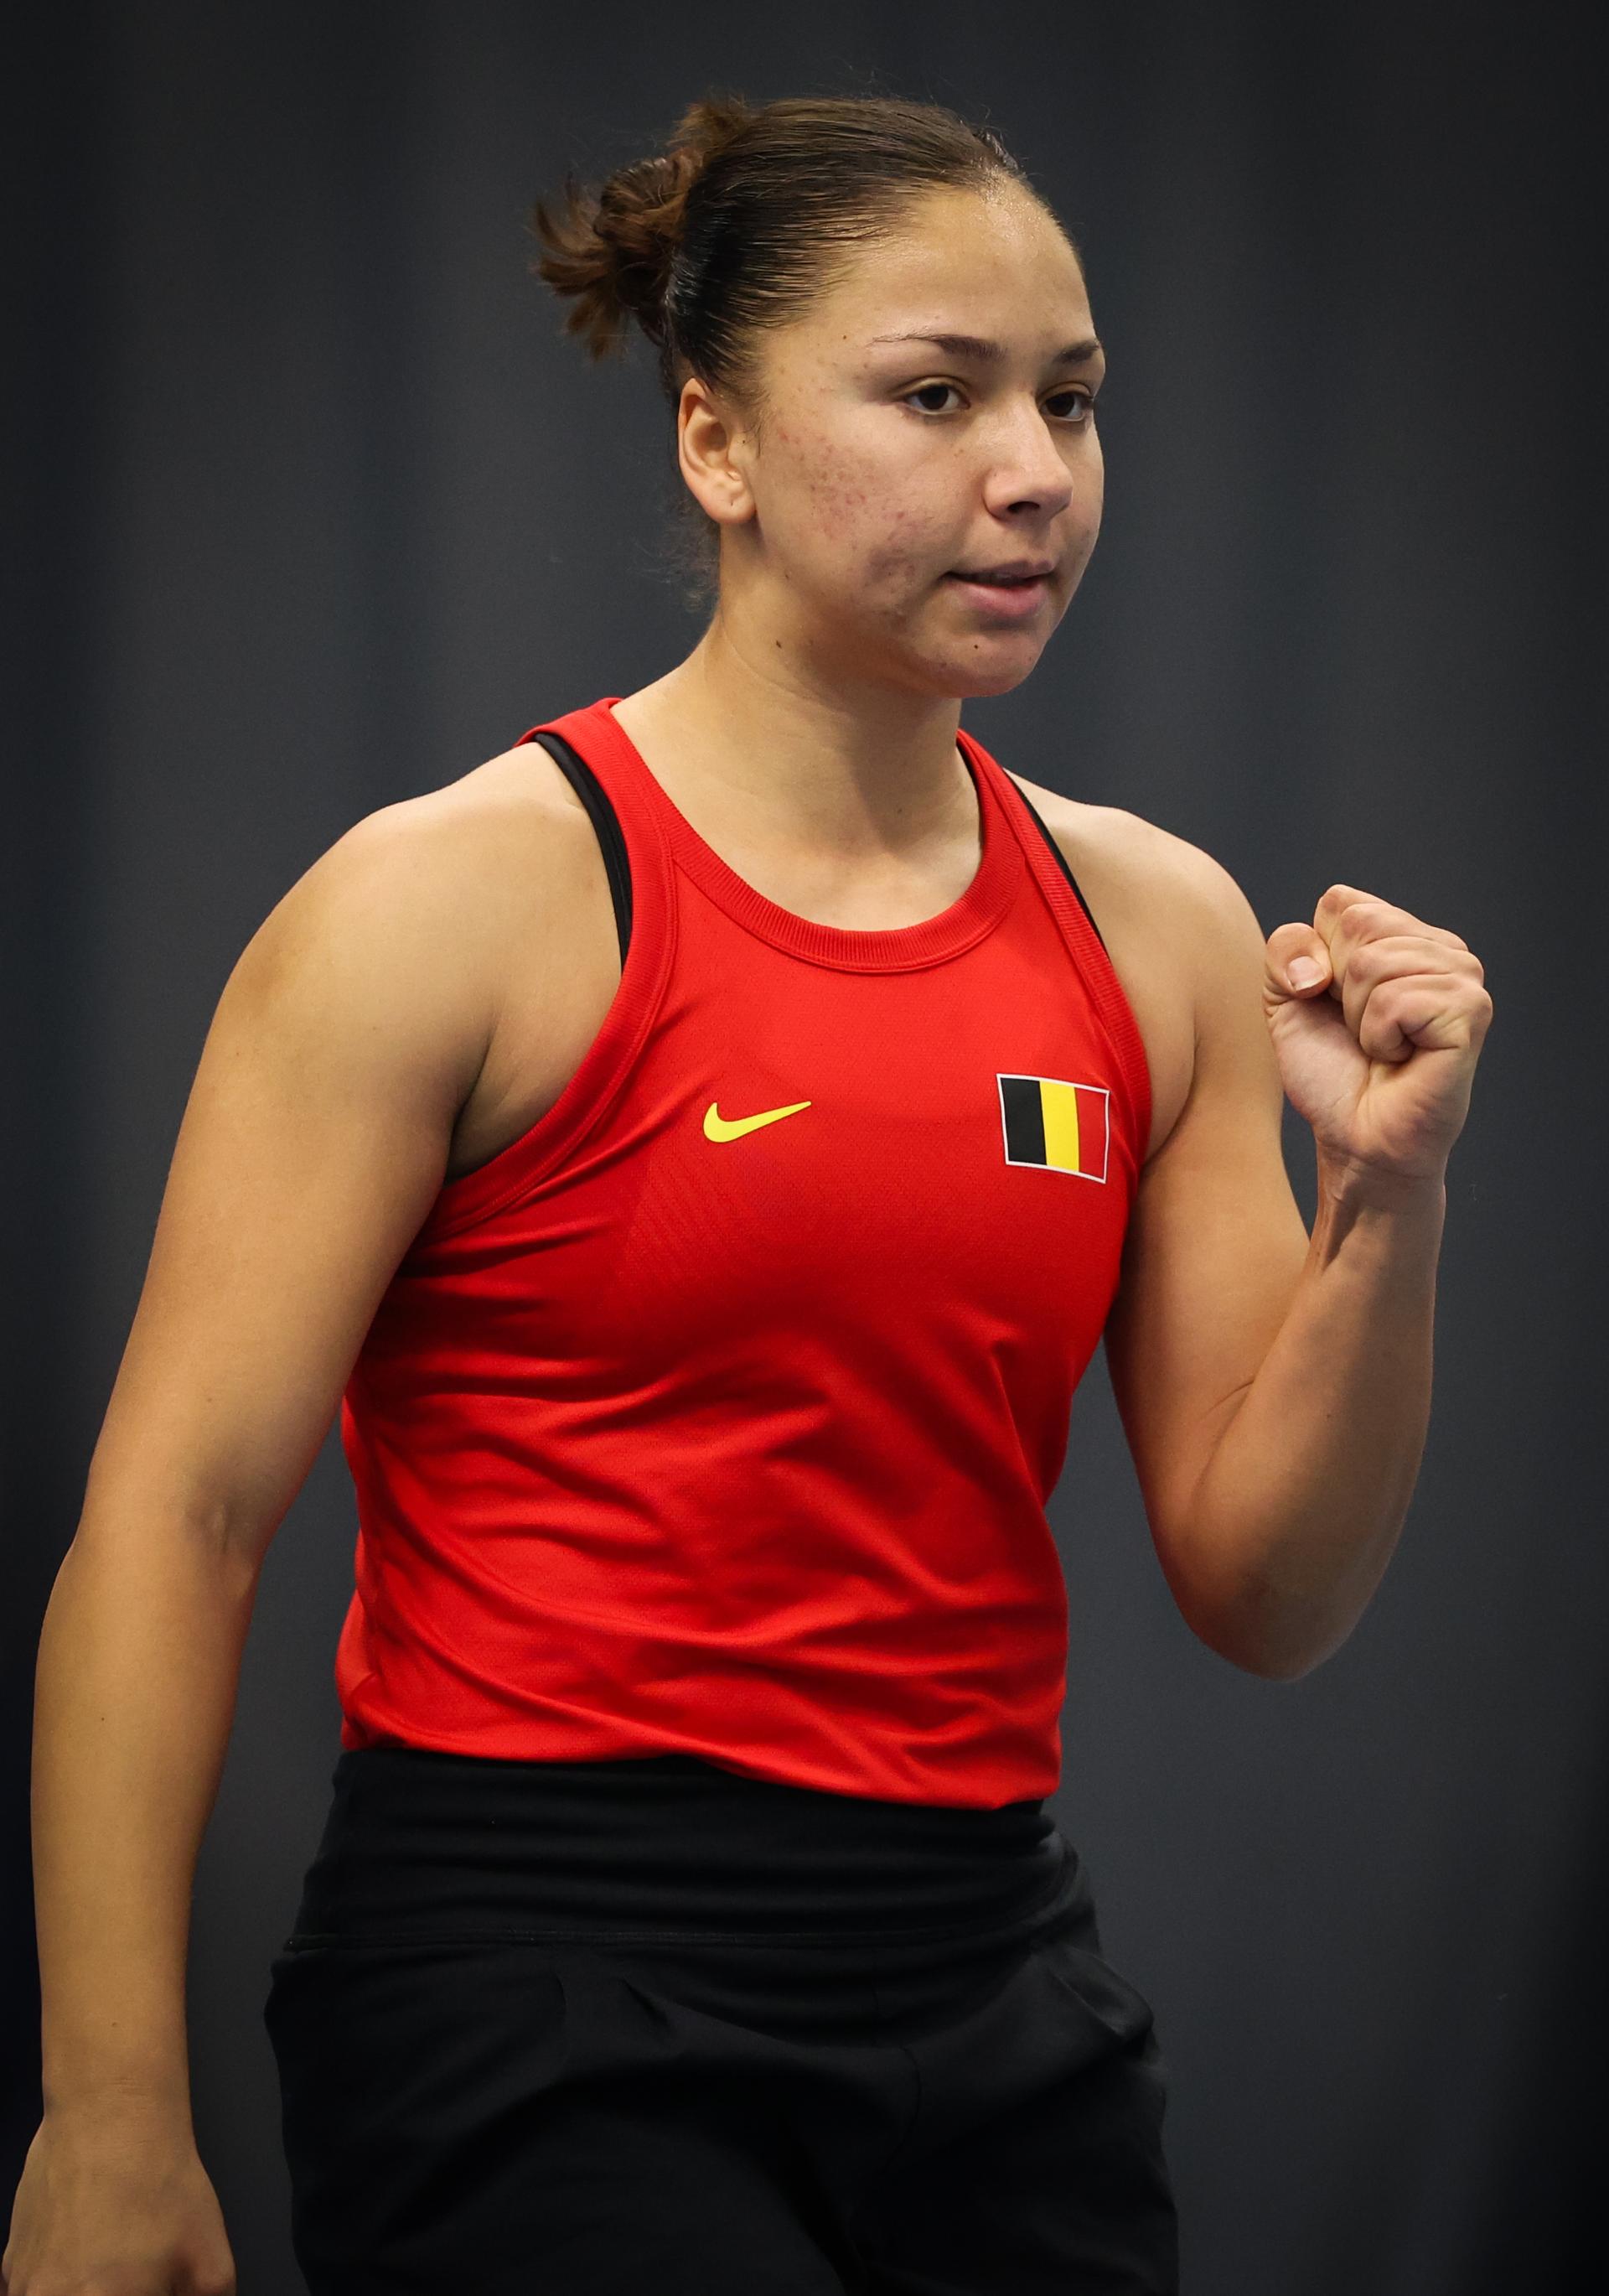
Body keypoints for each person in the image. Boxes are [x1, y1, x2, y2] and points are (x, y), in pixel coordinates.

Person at [7, 86, 1492, 2296]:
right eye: (937, 393)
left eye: (1070, 402)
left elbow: (1268, 1591)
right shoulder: (458, 907)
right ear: (716, 443)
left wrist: (1386, 1201)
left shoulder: (1163, 931)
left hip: (994, 1988)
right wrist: (111, 2115)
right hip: (535, 1994)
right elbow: (178, 1518)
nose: (1035, 473)